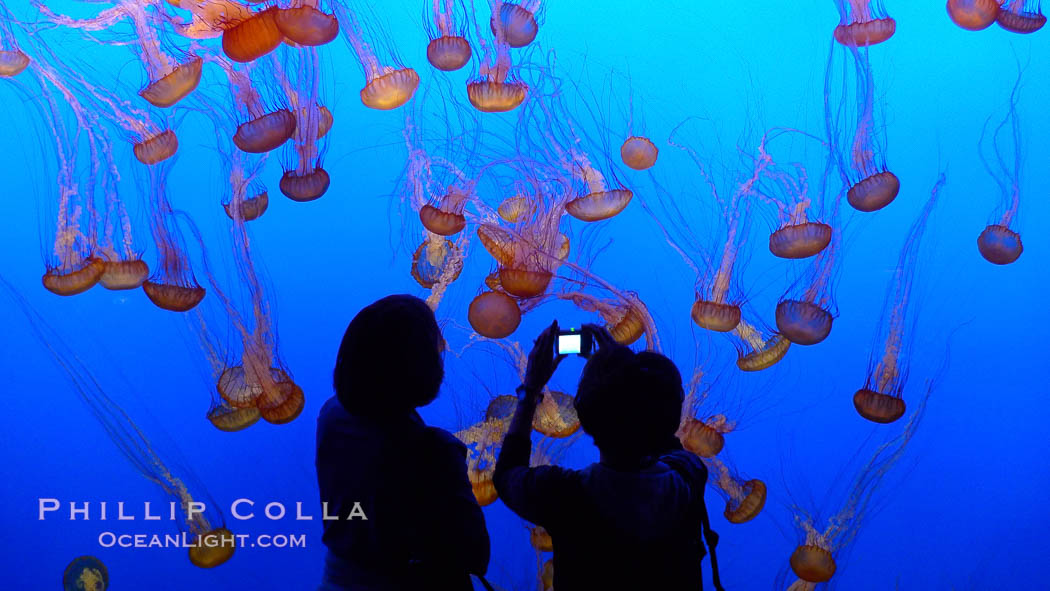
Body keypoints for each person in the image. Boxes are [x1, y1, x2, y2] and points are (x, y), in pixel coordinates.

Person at [494, 321, 723, 590]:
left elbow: (506, 475)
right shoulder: (687, 477)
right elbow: (663, 432)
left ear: (586, 414)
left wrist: (531, 390)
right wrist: (626, 373)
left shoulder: (564, 495)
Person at [316, 294, 490, 591]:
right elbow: (475, 555)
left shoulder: (332, 416)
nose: (443, 347)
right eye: (436, 345)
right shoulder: (434, 451)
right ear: (420, 367)